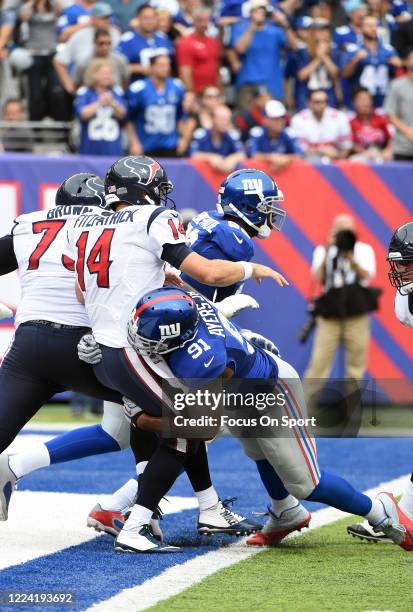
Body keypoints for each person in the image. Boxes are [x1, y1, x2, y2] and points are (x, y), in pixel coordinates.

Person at [64, 154, 288, 551]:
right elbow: (211, 274)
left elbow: (84, 289)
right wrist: (254, 272)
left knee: (185, 422)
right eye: (158, 189)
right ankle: (134, 523)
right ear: (141, 190)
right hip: (136, 348)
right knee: (195, 423)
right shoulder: (152, 220)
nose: (162, 196)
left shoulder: (90, 223)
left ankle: (205, 507)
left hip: (108, 345)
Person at [121, 285, 413, 553]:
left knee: (306, 483)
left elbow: (205, 428)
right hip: (240, 389)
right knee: (259, 452)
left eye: (152, 339)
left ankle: (379, 509)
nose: (143, 342)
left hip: (271, 391)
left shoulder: (202, 359)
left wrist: (144, 421)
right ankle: (285, 511)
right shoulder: (187, 306)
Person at [0, 174, 136, 523]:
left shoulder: (30, 224)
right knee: (170, 415)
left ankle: (12, 468)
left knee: (121, 429)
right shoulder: (110, 226)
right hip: (87, 347)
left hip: (30, 346)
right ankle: (142, 513)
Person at [347, 221, 413, 543]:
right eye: (398, 263)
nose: (399, 270)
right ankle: (407, 518)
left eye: (406, 263)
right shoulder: (407, 299)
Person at [304, 213, 376, 384]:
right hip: (330, 314)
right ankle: (303, 408)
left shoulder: (363, 250)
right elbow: (316, 277)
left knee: (356, 368)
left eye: (347, 230)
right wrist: (329, 251)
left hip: (356, 314)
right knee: (318, 365)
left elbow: (366, 276)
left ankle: (351, 409)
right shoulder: (323, 250)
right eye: (340, 230)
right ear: (333, 231)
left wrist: (350, 258)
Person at [227, 0, 297, 111]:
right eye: (257, 10)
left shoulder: (275, 31)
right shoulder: (240, 27)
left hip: (273, 84)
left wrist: (285, 24)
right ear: (250, 12)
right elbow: (240, 49)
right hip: (248, 83)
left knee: (275, 118)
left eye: (263, 10)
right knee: (247, 120)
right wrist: (253, 26)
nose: (261, 13)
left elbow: (294, 46)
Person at [53, 2, 120, 99]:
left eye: (108, 18)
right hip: (85, 90)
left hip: (112, 90)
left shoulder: (115, 34)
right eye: (103, 18)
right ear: (93, 19)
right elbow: (59, 61)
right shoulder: (80, 35)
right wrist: (69, 86)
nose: (107, 21)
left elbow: (123, 65)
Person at [126, 53, 186, 157]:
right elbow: (128, 119)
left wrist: (182, 138)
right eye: (161, 65)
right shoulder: (138, 89)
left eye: (168, 65)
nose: (165, 69)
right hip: (146, 145)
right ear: (151, 68)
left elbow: (181, 115)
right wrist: (134, 142)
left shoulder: (177, 87)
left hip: (170, 145)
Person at [341, 15, 401, 108]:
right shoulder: (353, 49)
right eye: (369, 26)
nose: (373, 29)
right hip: (359, 102)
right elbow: (345, 74)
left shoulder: (388, 50)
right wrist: (355, 60)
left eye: (375, 25)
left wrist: (398, 65)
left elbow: (399, 71)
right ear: (361, 29)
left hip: (383, 100)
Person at [19, 0, 64, 121]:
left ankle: (55, 119)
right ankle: (35, 125)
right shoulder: (30, 7)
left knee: (55, 91)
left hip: (52, 53)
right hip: (34, 54)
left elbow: (62, 10)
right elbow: (23, 16)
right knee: (35, 94)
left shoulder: (53, 5)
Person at [74, 60, 127, 156]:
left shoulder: (117, 92)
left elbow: (123, 115)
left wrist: (112, 103)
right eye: (103, 73)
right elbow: (82, 114)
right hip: (90, 147)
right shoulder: (85, 92)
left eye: (109, 73)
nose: (106, 76)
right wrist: (99, 103)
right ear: (93, 74)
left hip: (113, 147)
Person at [290, 88, 352, 161]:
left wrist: (338, 159)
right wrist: (321, 151)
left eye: (324, 101)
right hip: (308, 162)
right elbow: (298, 150)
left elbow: (347, 146)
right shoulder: (298, 119)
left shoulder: (339, 117)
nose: (321, 105)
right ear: (308, 103)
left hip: (335, 160)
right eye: (317, 102)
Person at [117, 4, 174, 82]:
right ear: (138, 19)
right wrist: (141, 69)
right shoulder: (127, 40)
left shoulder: (163, 38)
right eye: (146, 18)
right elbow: (119, 66)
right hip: (139, 85)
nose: (149, 22)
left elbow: (172, 65)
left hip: (164, 87)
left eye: (152, 18)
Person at [293, 18, 340, 110]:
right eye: (319, 30)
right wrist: (318, 58)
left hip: (328, 92)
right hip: (306, 93)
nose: (323, 33)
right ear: (312, 32)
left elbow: (335, 73)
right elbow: (302, 75)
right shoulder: (302, 51)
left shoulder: (334, 50)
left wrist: (324, 57)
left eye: (325, 30)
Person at [175, 7, 222, 94]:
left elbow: (217, 70)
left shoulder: (214, 42)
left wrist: (220, 93)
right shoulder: (185, 43)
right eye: (200, 20)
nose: (204, 24)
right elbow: (185, 72)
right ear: (194, 21)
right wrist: (190, 93)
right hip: (197, 92)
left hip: (212, 93)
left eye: (206, 20)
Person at [189, 104, 245, 174]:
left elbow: (242, 154)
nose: (225, 122)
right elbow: (193, 154)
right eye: (222, 119)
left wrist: (232, 158)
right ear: (212, 119)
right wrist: (210, 157)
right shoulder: (201, 135)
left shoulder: (231, 135)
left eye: (228, 119)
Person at [247, 99, 302, 169]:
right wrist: (271, 158)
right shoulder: (256, 133)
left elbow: (299, 155)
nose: (280, 122)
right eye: (275, 119)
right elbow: (252, 155)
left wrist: (285, 159)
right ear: (265, 119)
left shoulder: (289, 133)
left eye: (282, 117)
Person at [384, 49, 413, 161]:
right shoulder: (397, 85)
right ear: (406, 62)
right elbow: (390, 115)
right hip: (402, 147)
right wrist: (409, 132)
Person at [349, 86, 392, 160]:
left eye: (367, 99)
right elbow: (350, 144)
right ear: (354, 103)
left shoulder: (382, 119)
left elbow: (391, 139)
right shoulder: (350, 122)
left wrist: (387, 151)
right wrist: (364, 152)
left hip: (381, 154)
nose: (364, 103)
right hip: (362, 155)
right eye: (361, 100)